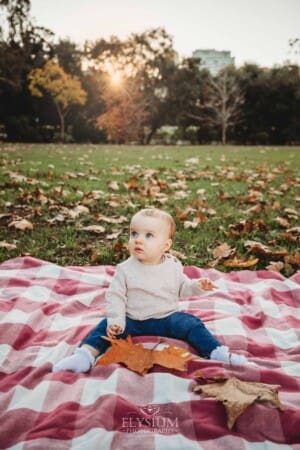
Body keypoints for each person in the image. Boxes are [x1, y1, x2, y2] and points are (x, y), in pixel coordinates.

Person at [53, 208, 247, 373]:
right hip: (132, 320)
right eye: (133, 233)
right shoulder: (125, 269)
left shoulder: (172, 265)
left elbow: (182, 288)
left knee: (192, 324)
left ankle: (215, 351)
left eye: (148, 236)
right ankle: (85, 355)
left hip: (167, 317)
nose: (138, 240)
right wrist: (117, 321)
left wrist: (197, 286)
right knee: (104, 328)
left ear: (166, 245)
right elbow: (116, 297)